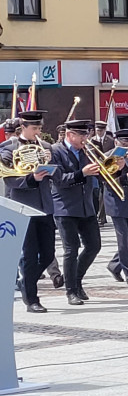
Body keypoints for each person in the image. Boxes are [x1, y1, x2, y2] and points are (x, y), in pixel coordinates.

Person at [1, 111, 55, 313]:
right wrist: (32, 178)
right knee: (30, 255)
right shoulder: (9, 148)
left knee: (48, 255)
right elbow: (9, 178)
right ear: (23, 127)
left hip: (45, 207)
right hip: (23, 207)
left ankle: (26, 283)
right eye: (34, 128)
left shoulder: (46, 147)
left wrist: (50, 165)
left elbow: (54, 176)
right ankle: (32, 299)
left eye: (40, 128)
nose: (38, 132)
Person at [50, 119, 104, 306]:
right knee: (71, 250)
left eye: (86, 134)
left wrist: (115, 169)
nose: (85, 138)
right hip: (65, 207)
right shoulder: (55, 151)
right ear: (70, 134)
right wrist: (83, 173)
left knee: (94, 245)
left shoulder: (86, 151)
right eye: (81, 135)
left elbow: (101, 173)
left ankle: (76, 279)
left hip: (86, 207)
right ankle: (70, 290)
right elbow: (60, 180)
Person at [104, 128, 128, 285]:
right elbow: (106, 181)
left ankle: (114, 265)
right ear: (116, 142)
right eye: (124, 143)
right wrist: (124, 174)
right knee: (123, 239)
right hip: (117, 202)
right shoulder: (108, 157)